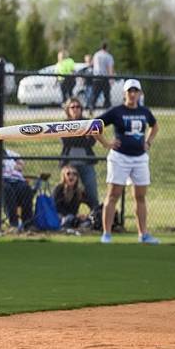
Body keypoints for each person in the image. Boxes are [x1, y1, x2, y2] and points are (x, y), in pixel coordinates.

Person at [96, 79, 160, 244]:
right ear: (124, 93)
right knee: (113, 194)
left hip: (139, 158)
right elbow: (95, 125)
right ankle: (107, 234)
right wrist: (106, 143)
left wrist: (148, 142)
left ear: (140, 93)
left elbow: (154, 126)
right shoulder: (117, 111)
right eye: (129, 91)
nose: (132, 94)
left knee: (140, 196)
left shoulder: (145, 111)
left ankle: (143, 234)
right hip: (120, 157)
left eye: (135, 91)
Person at [59, 99, 99, 209]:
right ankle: (66, 216)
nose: (75, 109)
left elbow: (91, 142)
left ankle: (96, 215)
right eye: (73, 107)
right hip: (69, 164)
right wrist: (83, 137)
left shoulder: (88, 123)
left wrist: (74, 136)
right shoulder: (63, 124)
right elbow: (66, 141)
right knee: (67, 193)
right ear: (68, 110)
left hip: (86, 163)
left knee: (91, 191)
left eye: (78, 107)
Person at [52, 165, 90, 229]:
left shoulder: (79, 191)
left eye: (74, 174)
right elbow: (56, 207)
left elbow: (90, 203)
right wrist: (73, 215)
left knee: (88, 221)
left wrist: (87, 215)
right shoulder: (59, 189)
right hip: (59, 216)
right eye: (68, 174)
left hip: (73, 217)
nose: (71, 176)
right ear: (64, 176)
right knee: (69, 218)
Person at [90, 42, 115, 112]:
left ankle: (91, 108)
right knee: (107, 95)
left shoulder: (96, 54)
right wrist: (111, 78)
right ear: (107, 47)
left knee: (95, 95)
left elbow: (92, 64)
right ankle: (108, 109)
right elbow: (109, 68)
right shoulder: (108, 56)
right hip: (104, 78)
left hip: (96, 77)